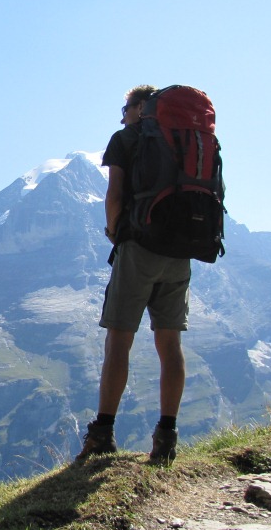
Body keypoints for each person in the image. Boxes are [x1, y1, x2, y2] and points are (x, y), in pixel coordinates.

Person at [76, 84, 190, 464]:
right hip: (180, 250)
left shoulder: (127, 138)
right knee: (170, 344)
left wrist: (114, 230)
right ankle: (167, 436)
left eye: (125, 107)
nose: (122, 114)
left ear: (141, 106)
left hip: (139, 246)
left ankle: (103, 434)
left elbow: (115, 194)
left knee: (118, 340)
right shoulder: (186, 139)